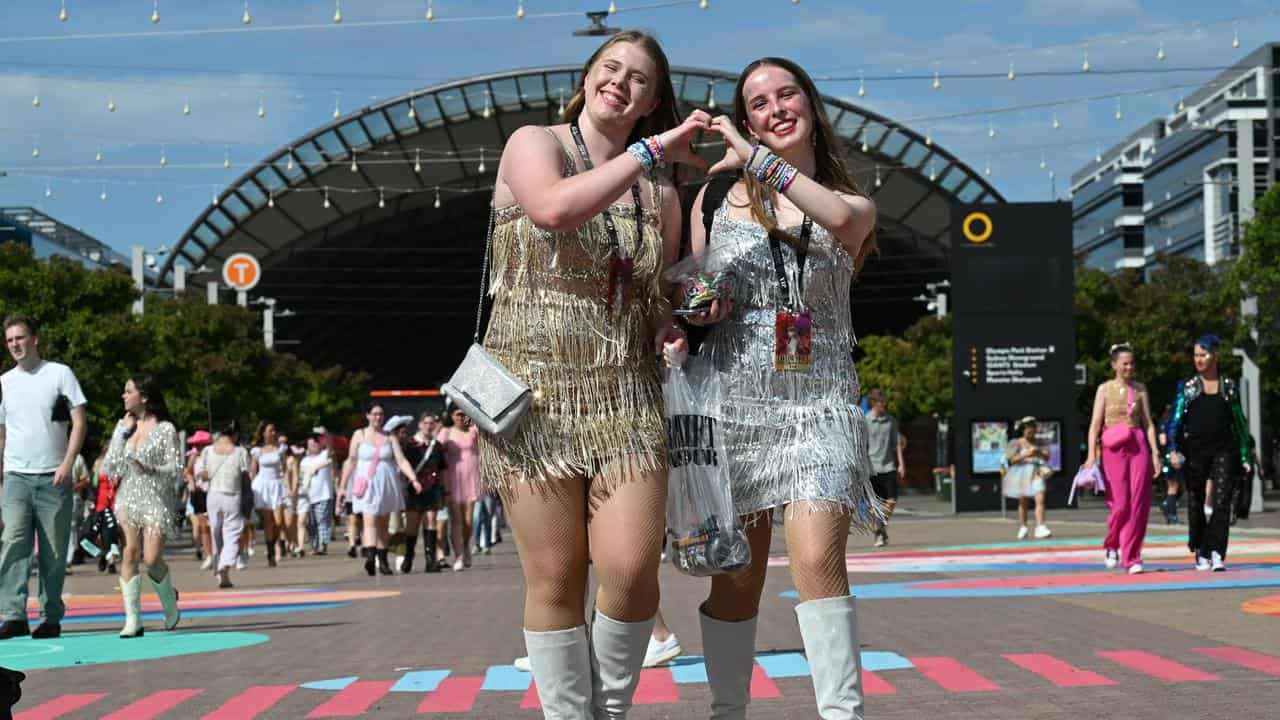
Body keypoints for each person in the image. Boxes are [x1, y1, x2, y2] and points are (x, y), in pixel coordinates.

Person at [483, 29, 704, 718]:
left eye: (638, 78)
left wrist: (681, 318)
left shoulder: (660, 195)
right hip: (533, 395)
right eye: (610, 68)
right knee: (554, 575)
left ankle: (602, 711)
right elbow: (553, 208)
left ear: (652, 99)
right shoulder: (534, 143)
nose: (620, 82)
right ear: (587, 77)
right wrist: (648, 154)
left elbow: (656, 298)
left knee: (634, 571)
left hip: (626, 393)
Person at [683, 57, 879, 719]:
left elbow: (830, 215)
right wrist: (695, 305)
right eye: (758, 103)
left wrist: (754, 158)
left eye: (785, 93)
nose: (774, 108)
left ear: (810, 105)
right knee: (736, 580)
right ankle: (726, 711)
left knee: (819, 555)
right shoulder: (712, 200)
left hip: (819, 401)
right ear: (747, 120)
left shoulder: (850, 205)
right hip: (734, 407)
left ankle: (842, 714)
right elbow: (692, 288)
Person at [0, 315, 88, 640]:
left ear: (35, 339)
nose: (15, 345)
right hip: (16, 476)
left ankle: (51, 617)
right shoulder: (4, 382)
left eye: (20, 338)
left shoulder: (59, 373)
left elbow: (79, 421)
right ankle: (13, 615)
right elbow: (1, 434)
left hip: (54, 475)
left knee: (53, 550)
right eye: (10, 340)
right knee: (12, 545)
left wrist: (68, 463)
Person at [104, 374, 184, 637]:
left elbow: (175, 469)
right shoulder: (123, 427)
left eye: (129, 391)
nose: (124, 396)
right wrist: (120, 433)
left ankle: (169, 602)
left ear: (145, 397)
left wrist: (150, 468)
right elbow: (111, 466)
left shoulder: (165, 429)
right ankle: (132, 618)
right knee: (129, 553)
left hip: (155, 498)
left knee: (151, 559)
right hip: (128, 497)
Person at [1166, 334, 1254, 572]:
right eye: (1196, 355)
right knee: (1195, 502)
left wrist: (1245, 455)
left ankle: (1216, 552)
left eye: (1203, 355)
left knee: (1223, 501)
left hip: (1224, 449)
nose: (1199, 359)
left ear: (1215, 355)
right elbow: (1173, 422)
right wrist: (1173, 449)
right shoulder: (1187, 387)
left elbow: (1239, 423)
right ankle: (1200, 550)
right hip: (1194, 452)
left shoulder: (1228, 386)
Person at [1086, 343, 1160, 575]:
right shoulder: (1104, 389)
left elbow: (1148, 423)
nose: (1129, 367)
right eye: (1125, 363)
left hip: (1137, 444)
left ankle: (1132, 557)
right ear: (1114, 365)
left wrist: (1155, 453)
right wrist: (1090, 455)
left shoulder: (1140, 389)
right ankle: (1112, 543)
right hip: (1113, 446)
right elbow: (1095, 425)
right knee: (1120, 505)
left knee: (1139, 503)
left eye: (1132, 363)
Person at [338, 404, 419, 576]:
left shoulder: (389, 437)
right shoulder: (359, 435)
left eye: (381, 414)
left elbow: (401, 460)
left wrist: (413, 479)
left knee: (383, 522)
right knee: (369, 520)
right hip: (366, 484)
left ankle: (382, 561)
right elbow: (351, 461)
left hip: (386, 483)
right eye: (374, 414)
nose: (378, 417)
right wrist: (342, 486)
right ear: (367, 415)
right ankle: (371, 557)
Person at [198, 422, 250, 588]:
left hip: (213, 496)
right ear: (234, 435)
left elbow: (203, 475)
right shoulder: (240, 451)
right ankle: (224, 564)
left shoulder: (208, 450)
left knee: (215, 533)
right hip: (232, 495)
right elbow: (245, 475)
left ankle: (222, 574)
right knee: (232, 532)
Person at [402, 413, 446, 573]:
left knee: (431, 522)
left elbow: (441, 470)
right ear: (420, 424)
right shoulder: (410, 445)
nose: (429, 426)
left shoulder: (437, 446)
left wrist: (444, 490)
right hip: (414, 489)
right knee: (412, 526)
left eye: (431, 423)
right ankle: (408, 557)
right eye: (426, 423)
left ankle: (430, 559)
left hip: (432, 488)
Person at [439, 409, 481, 571]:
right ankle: (458, 555)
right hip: (453, 479)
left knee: (469, 520)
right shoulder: (446, 432)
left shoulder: (473, 431)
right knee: (456, 520)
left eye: (464, 414)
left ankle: (465, 546)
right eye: (458, 414)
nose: (461, 417)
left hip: (471, 478)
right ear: (451, 416)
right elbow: (436, 451)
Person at [864, 389, 905, 547]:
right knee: (875, 506)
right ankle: (880, 533)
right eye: (881, 402)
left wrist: (901, 464)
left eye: (884, 402)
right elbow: (862, 446)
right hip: (872, 468)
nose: (884, 404)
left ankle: (879, 527)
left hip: (888, 466)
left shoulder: (891, 421)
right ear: (874, 403)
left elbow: (897, 444)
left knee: (892, 500)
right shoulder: (865, 421)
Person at [1003, 417, 1052, 540]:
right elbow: (1012, 459)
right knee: (1023, 502)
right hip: (1022, 473)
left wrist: (1039, 452)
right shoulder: (1016, 443)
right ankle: (1023, 526)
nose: (1032, 432)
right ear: (1023, 430)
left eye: (1033, 429)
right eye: (1029, 429)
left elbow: (1047, 457)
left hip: (1037, 472)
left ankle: (1040, 526)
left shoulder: (1039, 442)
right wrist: (1026, 454)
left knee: (1040, 498)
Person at [249, 421, 289, 567]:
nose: (273, 433)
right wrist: (249, 486)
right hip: (263, 486)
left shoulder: (280, 449)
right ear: (264, 433)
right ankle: (271, 551)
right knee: (267, 522)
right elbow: (253, 470)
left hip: (276, 484)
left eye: (274, 430)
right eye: (270, 430)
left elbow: (284, 468)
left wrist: (287, 485)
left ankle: (279, 541)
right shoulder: (257, 451)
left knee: (278, 522)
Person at [299, 431, 336, 556]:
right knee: (310, 523)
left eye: (316, 443)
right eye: (311, 444)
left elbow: (331, 447)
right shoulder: (304, 461)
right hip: (308, 496)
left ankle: (322, 545)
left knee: (322, 520)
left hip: (324, 495)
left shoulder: (325, 455)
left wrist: (326, 434)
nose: (313, 445)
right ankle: (314, 546)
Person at [184, 429, 214, 569]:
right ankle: (209, 555)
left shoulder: (214, 455)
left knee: (215, 525)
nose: (199, 447)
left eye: (202, 444)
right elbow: (188, 472)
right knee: (204, 526)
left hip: (214, 492)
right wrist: (191, 483)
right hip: (200, 493)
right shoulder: (194, 457)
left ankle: (218, 552)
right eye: (198, 444)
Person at [1156, 404, 1182, 524]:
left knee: (1177, 487)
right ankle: (1171, 513)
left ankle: (1167, 505)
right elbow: (1163, 441)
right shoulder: (1167, 425)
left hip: (1174, 456)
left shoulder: (1166, 424)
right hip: (1171, 457)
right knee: (1173, 487)